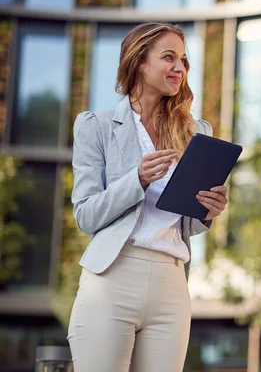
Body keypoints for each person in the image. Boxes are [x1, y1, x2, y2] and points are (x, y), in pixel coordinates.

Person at [67, 22, 228, 372]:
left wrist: (207, 212)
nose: (180, 68)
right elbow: (85, 215)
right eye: (168, 57)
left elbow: (188, 223)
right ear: (139, 61)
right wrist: (136, 180)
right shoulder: (96, 125)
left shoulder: (195, 132)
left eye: (184, 60)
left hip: (172, 281)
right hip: (114, 275)